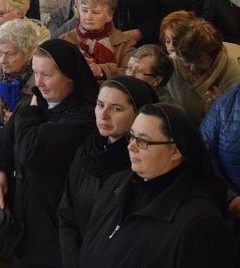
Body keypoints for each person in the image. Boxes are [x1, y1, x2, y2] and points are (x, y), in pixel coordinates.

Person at [80, 103, 238, 267]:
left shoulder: (199, 222)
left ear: (176, 150)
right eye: (131, 136)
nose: (131, 146)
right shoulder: (115, 184)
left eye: (142, 141)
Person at [0, 39, 99, 267]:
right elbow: (4, 144)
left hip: (56, 223)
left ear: (69, 75)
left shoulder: (85, 116)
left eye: (47, 75)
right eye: (36, 73)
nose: (39, 83)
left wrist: (29, 112)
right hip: (24, 216)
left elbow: (32, 152)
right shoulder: (34, 106)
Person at [58, 75, 159, 267]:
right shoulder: (87, 151)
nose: (103, 115)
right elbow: (67, 215)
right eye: (100, 104)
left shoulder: (145, 162)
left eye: (116, 108)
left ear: (139, 114)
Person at [166, 19, 240, 128]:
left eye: (200, 62)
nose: (193, 68)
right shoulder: (170, 64)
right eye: (186, 61)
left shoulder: (233, 70)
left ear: (215, 55)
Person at [0, 19, 38, 148]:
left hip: (30, 150)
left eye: (10, 54)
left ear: (30, 52)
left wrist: (20, 123)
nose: (2, 60)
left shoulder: (41, 80)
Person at [60, 0, 136, 80]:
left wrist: (101, 70)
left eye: (95, 12)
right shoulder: (63, 40)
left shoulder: (126, 42)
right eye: (84, 11)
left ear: (109, 16)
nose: (88, 17)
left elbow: (131, 74)